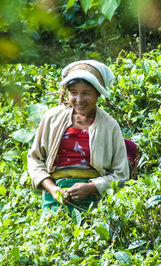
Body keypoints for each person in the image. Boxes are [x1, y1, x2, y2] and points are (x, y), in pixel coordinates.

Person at [27, 60, 130, 214]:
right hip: (54, 199)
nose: (79, 100)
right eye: (73, 92)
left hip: (95, 202)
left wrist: (91, 187)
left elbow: (121, 174)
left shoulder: (109, 125)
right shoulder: (52, 118)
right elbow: (35, 159)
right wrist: (53, 189)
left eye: (86, 93)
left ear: (98, 93)